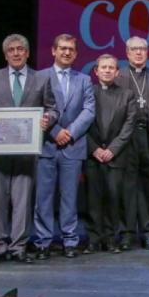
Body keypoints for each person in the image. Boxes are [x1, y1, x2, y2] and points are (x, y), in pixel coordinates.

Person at [0, 34, 57, 265]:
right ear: (5, 55)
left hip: (26, 151)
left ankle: (19, 247)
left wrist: (48, 119)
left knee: (22, 201)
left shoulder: (41, 78)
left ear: (27, 53)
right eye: (11, 50)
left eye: (20, 49)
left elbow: (52, 109)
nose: (16, 53)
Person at [33, 34, 94, 260]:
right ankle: (43, 241)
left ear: (76, 54)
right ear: (53, 51)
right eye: (62, 48)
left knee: (70, 197)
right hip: (46, 144)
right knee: (43, 197)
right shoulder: (39, 77)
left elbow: (89, 110)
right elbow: (35, 108)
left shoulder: (84, 79)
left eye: (71, 49)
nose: (67, 52)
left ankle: (70, 240)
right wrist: (55, 131)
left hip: (73, 146)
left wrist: (69, 133)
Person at [115, 36, 149, 250]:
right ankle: (127, 233)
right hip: (126, 139)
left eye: (142, 49)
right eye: (134, 49)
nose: (138, 53)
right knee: (127, 187)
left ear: (147, 52)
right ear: (127, 53)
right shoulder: (118, 76)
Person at [85, 54, 135, 253]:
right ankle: (93, 239)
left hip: (116, 156)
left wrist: (112, 149)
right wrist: (94, 148)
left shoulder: (127, 95)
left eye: (111, 67)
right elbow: (82, 123)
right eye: (103, 67)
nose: (107, 70)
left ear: (117, 72)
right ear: (96, 71)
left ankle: (111, 238)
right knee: (93, 199)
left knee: (114, 198)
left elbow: (129, 125)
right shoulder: (88, 92)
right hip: (93, 155)